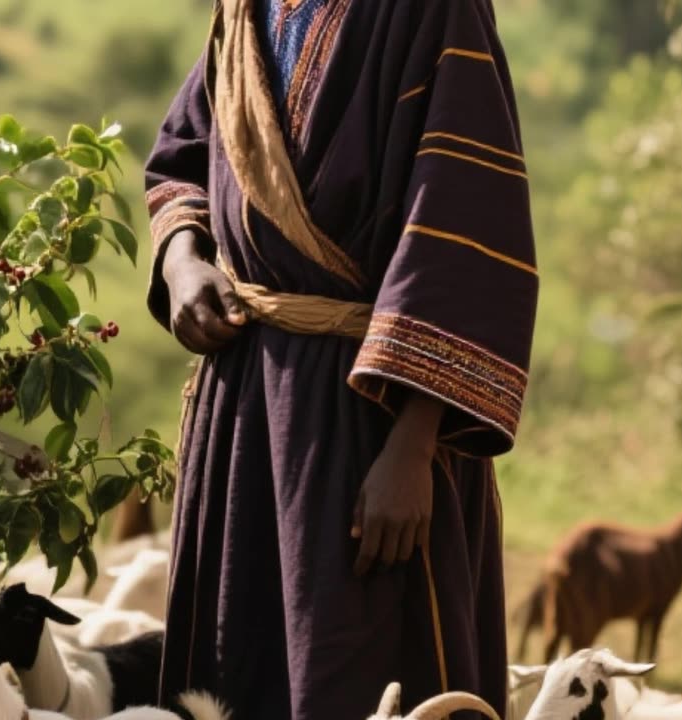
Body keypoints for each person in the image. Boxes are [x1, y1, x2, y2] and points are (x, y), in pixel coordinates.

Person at [143, 0, 538, 718]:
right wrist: (181, 260)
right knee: (236, 673)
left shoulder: (438, 13)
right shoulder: (245, 9)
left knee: (369, 674)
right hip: (244, 413)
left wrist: (415, 445)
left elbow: (467, 223)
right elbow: (185, 153)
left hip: (376, 419)